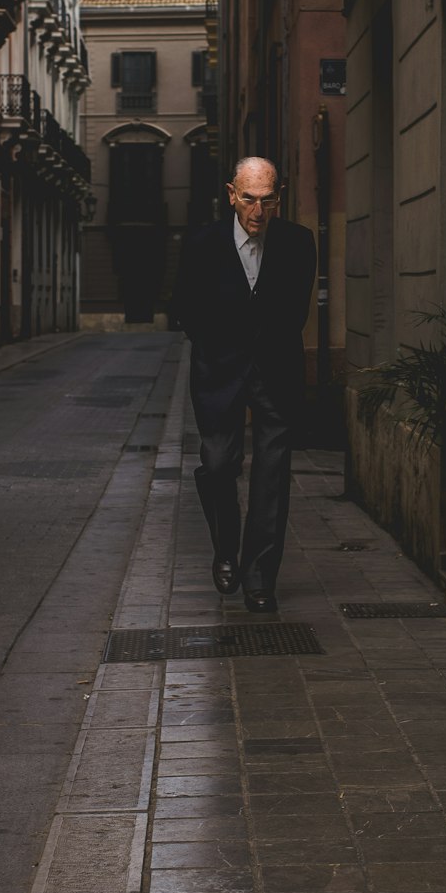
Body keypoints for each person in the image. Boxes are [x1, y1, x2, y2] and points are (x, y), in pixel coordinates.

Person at [171, 157, 316, 612]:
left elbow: (296, 312)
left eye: (267, 200)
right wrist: (220, 342)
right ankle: (224, 548)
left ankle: (259, 579)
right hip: (218, 372)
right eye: (249, 200)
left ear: (279, 197)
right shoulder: (201, 243)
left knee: (272, 476)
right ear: (232, 194)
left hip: (277, 372)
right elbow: (184, 309)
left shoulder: (297, 242)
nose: (258, 210)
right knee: (217, 464)